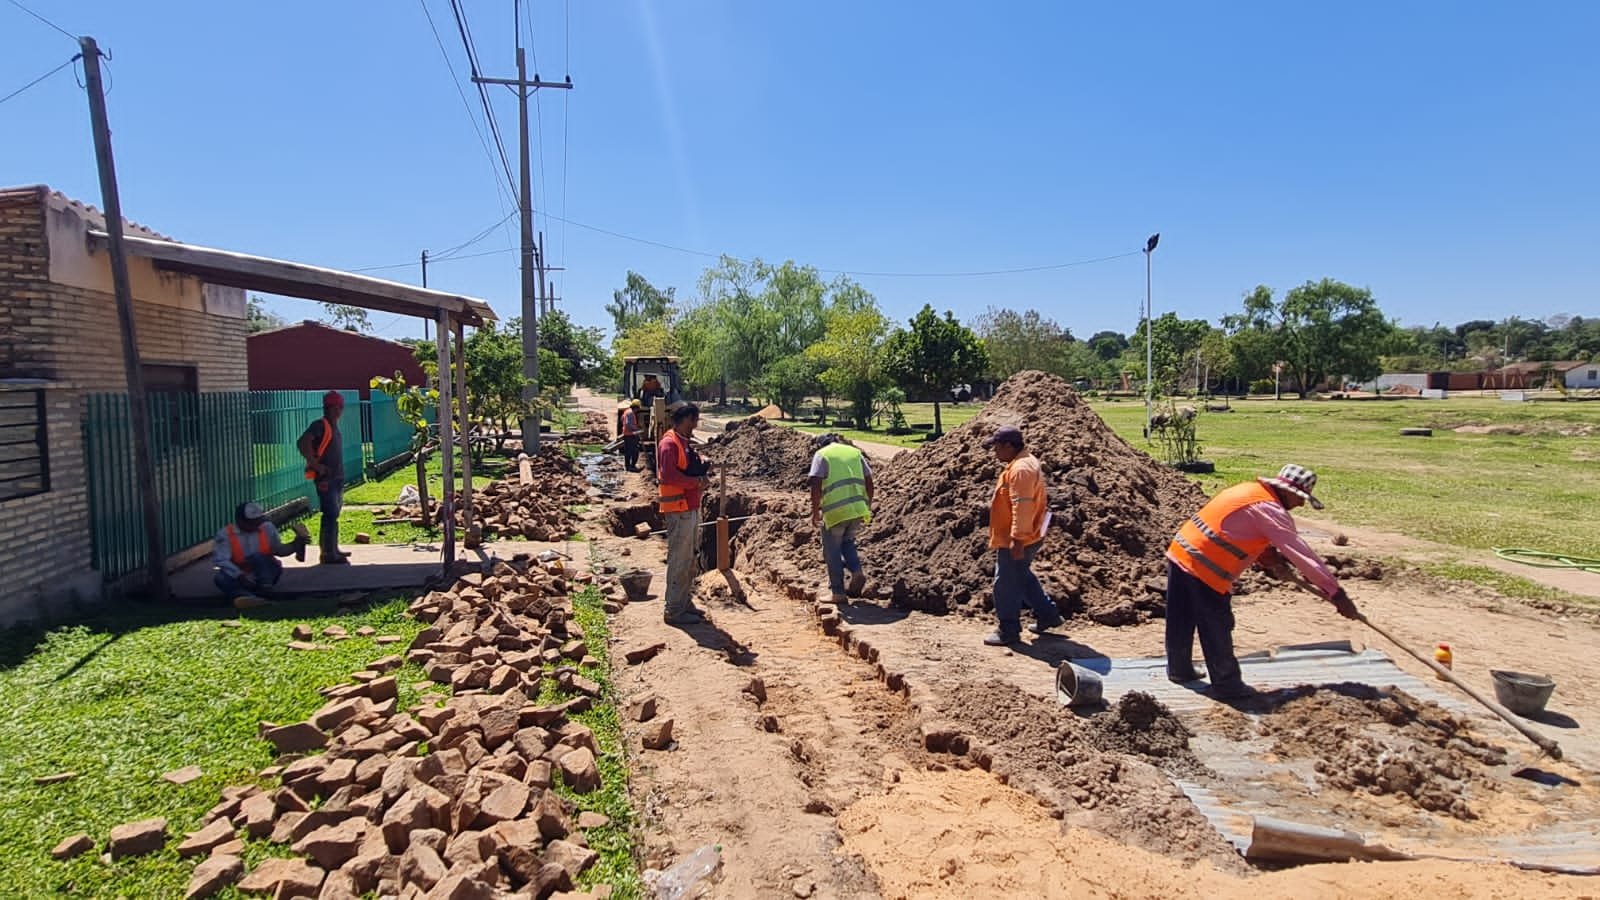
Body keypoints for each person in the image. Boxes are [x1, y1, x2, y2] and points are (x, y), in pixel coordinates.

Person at [1165, 463, 1362, 698]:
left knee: (1181, 617)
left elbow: (1236, 529)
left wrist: (1269, 558)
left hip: (1181, 551)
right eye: (1300, 498)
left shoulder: (1249, 491)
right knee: (1216, 624)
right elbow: (1304, 557)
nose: (1300, 504)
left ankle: (1180, 670)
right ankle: (1227, 685)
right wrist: (1337, 594)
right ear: (1288, 491)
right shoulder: (1270, 510)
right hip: (1206, 565)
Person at [983, 425, 1064, 646]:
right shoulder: (1023, 463)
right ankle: (1048, 615)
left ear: (1009, 446)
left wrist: (1017, 539)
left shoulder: (1021, 470)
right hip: (1026, 535)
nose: (995, 452)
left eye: (997, 447)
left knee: (1006, 584)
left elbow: (1023, 507)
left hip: (1020, 537)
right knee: (1022, 576)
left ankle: (1008, 631)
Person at [657, 403, 712, 625]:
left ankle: (683, 603)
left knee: (689, 559)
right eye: (695, 420)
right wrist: (697, 482)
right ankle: (673, 610)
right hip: (678, 509)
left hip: (688, 507)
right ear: (687, 419)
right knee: (680, 560)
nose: (696, 425)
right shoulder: (669, 443)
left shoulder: (682, 442)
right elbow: (669, 476)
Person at [808, 433, 874, 604]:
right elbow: (869, 480)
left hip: (836, 512)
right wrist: (867, 503)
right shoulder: (854, 452)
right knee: (848, 542)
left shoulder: (822, 455)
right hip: (857, 510)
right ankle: (856, 571)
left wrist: (815, 511)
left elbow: (815, 484)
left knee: (832, 551)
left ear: (820, 445)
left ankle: (838, 592)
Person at [213, 501, 307, 609]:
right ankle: (249, 598)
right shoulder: (225, 534)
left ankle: (266, 590)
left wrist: (294, 545)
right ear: (239, 521)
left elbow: (280, 551)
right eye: (251, 522)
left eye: (257, 521)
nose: (255, 525)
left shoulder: (267, 528)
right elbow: (221, 560)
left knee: (257, 557)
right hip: (240, 574)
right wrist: (239, 576)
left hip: (267, 571)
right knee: (220, 578)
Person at [297, 391, 350, 565]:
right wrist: (316, 465)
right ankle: (328, 553)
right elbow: (302, 442)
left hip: (336, 477)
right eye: (340, 407)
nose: (341, 411)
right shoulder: (320, 425)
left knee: (334, 514)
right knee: (329, 514)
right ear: (334, 408)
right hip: (326, 479)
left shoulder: (332, 426)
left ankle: (333, 549)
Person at [620, 399, 643, 472]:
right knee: (634, 451)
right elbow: (628, 423)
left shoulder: (627, 411)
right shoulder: (630, 413)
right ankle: (632, 466)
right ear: (636, 407)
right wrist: (636, 429)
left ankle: (628, 466)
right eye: (638, 408)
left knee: (628, 451)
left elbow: (622, 420)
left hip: (627, 434)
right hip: (630, 435)